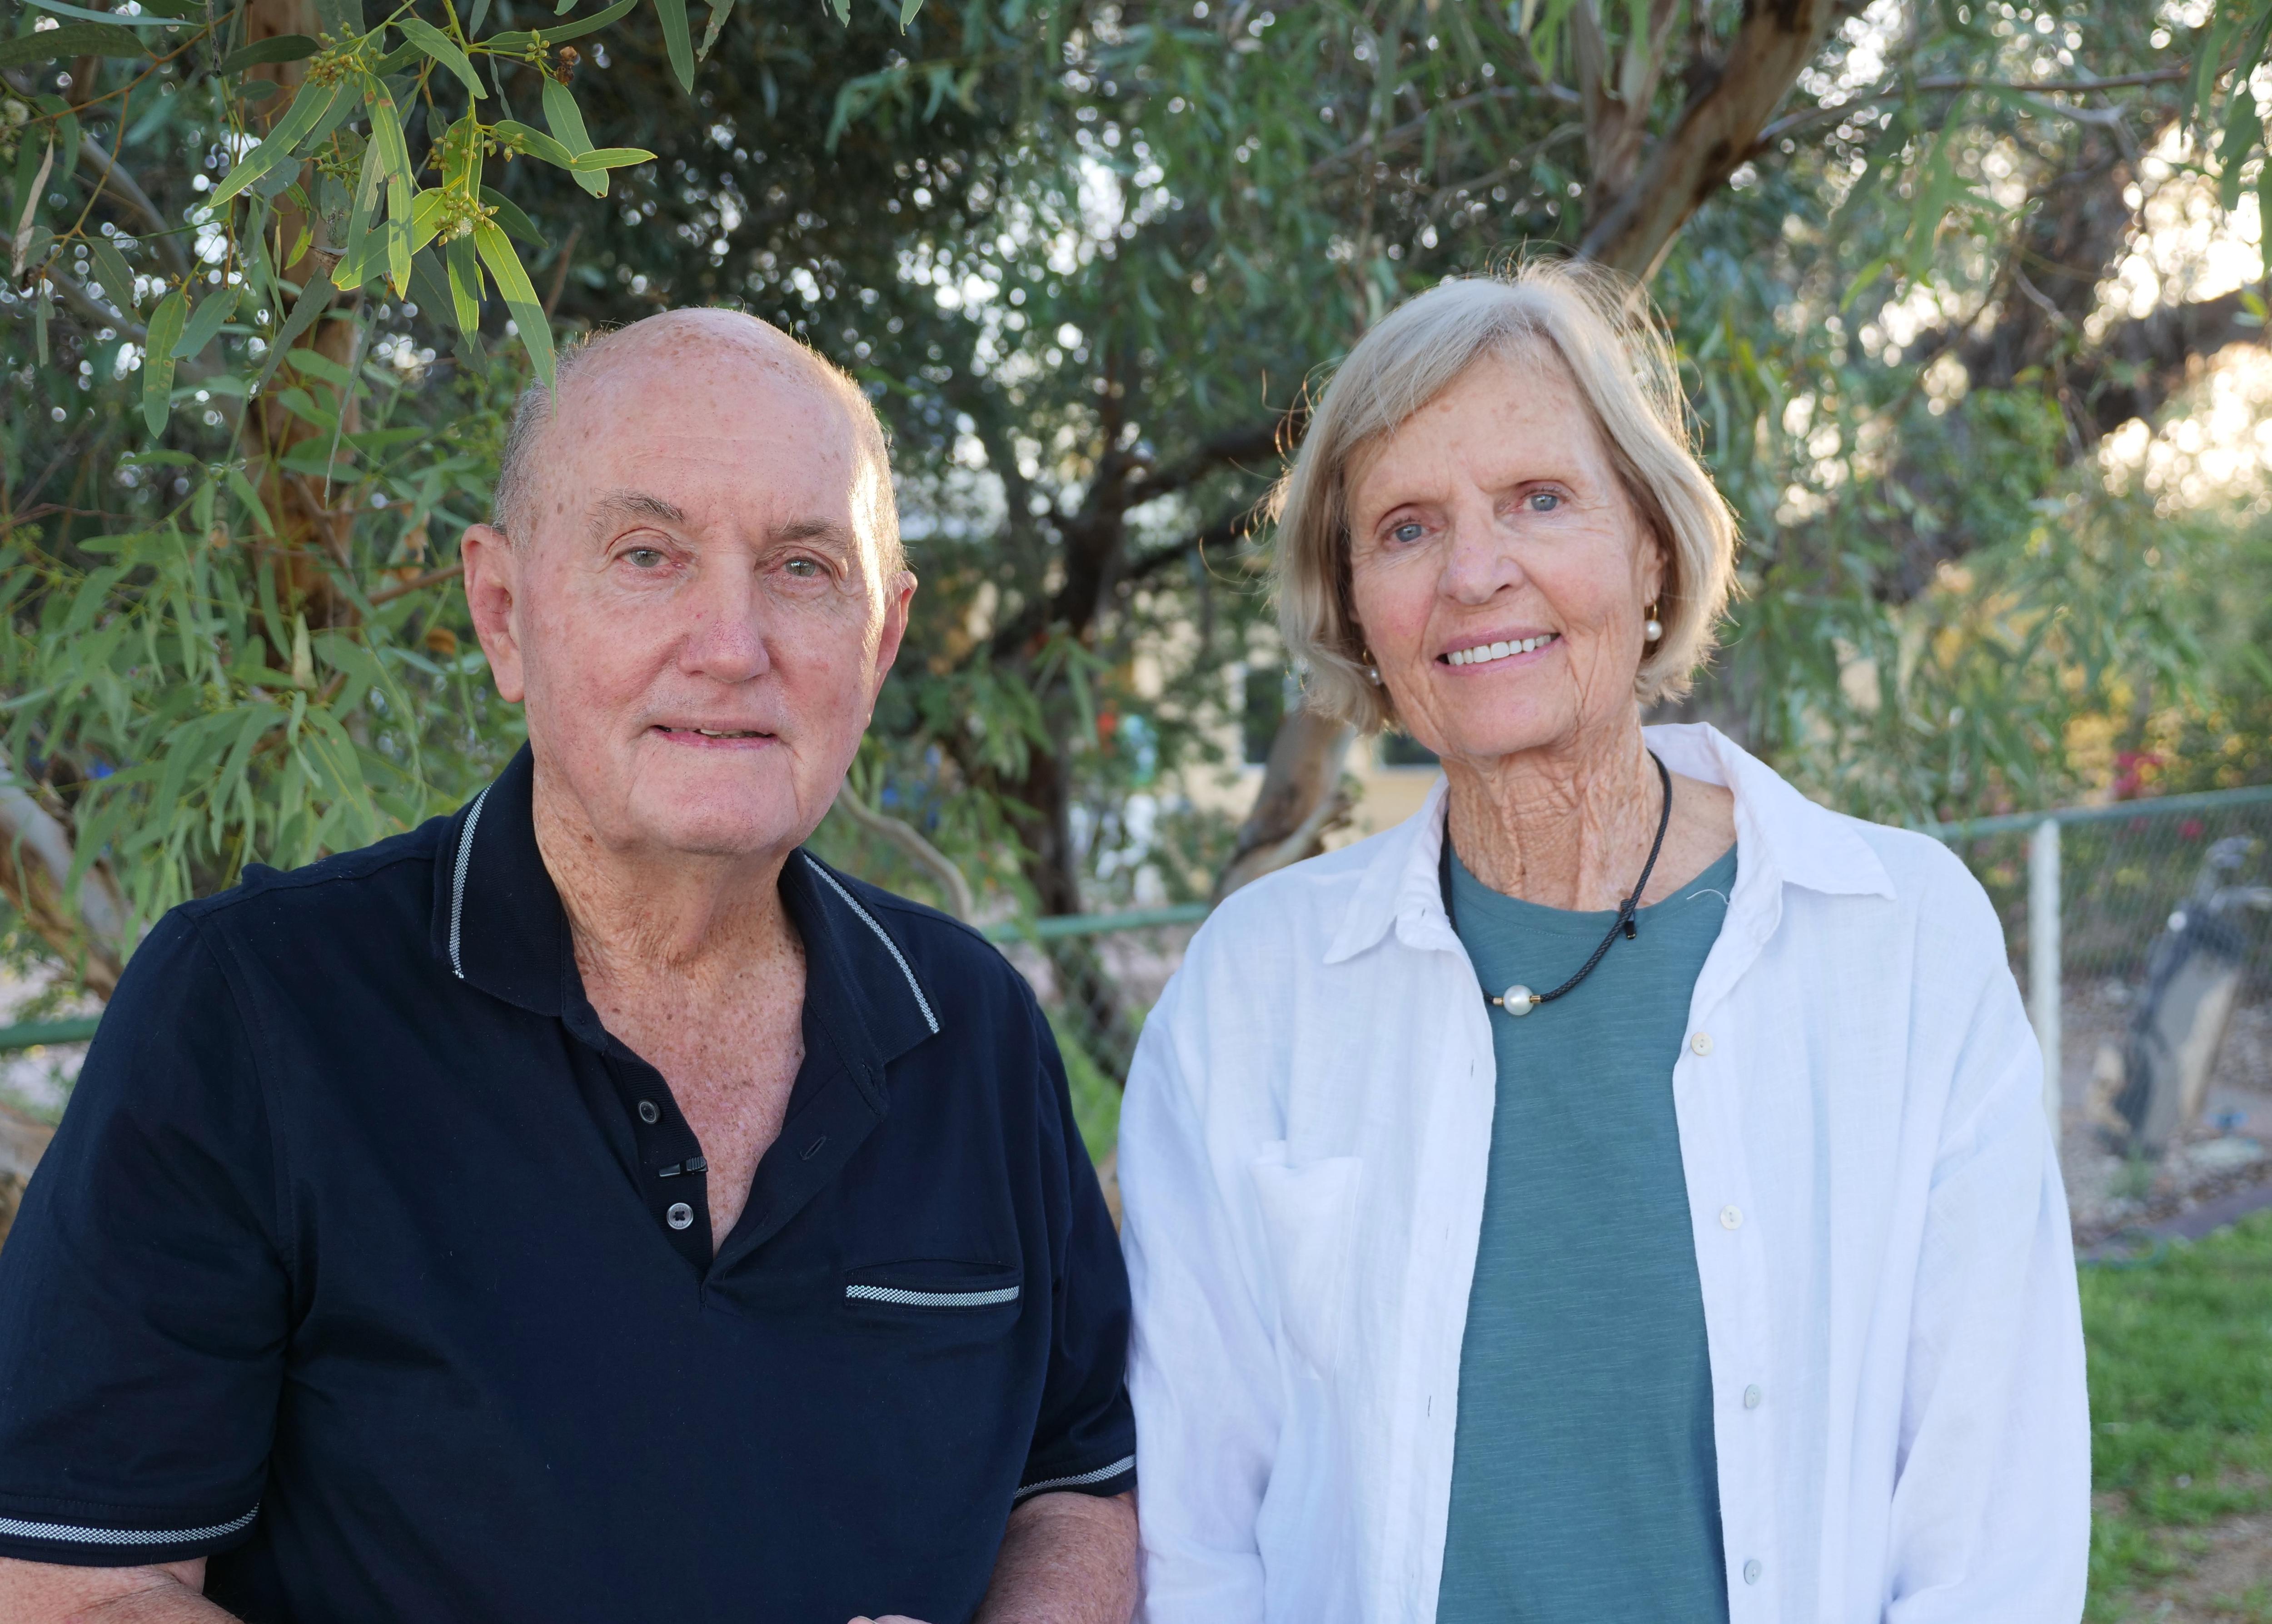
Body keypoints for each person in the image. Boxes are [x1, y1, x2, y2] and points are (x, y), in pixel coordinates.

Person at [0, 310, 1138, 1624]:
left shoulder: (972, 1028)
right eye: (647, 555)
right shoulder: (254, 1013)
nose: (731, 642)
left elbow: (1079, 1483)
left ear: (880, 644)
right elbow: (73, 1586)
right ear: (504, 613)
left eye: (805, 566)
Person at [1116, 263, 2088, 1623]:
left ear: (1652, 549)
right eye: (1406, 528)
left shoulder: (1903, 946)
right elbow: (1199, 1533)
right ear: (1356, 612)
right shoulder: (1254, 994)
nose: (1473, 573)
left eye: (1539, 500)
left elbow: (1992, 1531)